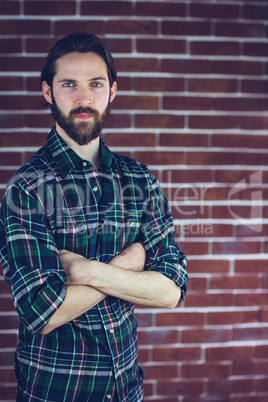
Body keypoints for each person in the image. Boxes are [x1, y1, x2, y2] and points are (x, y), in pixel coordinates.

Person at [0, 32, 188, 401]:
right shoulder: (27, 189)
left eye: (95, 84)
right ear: (48, 92)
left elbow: (171, 290)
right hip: (56, 390)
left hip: (126, 389)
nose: (84, 98)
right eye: (69, 84)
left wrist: (88, 271)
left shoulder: (139, 180)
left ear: (112, 92)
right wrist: (131, 264)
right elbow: (42, 313)